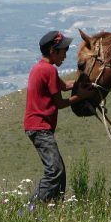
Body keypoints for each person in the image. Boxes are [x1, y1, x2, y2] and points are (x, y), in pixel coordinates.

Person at [24, 30, 93, 202]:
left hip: (36, 126)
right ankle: (31, 209)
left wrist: (83, 82)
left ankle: (53, 206)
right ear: (52, 51)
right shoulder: (49, 70)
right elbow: (60, 103)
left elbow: (64, 85)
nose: (65, 55)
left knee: (58, 171)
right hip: (40, 127)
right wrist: (81, 96)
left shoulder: (41, 68)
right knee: (55, 171)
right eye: (63, 51)